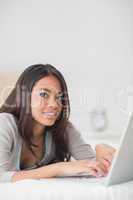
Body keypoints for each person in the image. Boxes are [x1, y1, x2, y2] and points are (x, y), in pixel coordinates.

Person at [0, 64, 115, 183]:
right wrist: (59, 168)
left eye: (59, 97)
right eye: (44, 94)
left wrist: (101, 148)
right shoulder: (4, 123)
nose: (54, 105)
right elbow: (1, 177)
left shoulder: (63, 129)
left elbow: (94, 167)